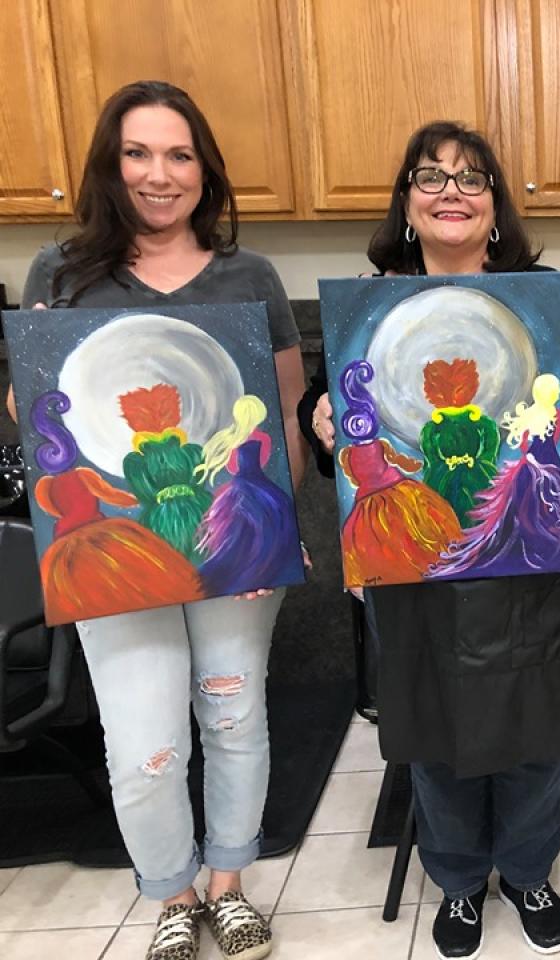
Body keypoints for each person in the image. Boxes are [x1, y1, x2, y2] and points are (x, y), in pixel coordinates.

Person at [298, 121, 560, 960]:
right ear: (406, 203)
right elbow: (321, 413)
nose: (452, 191)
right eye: (432, 176)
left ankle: (529, 871)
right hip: (415, 560)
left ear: (495, 204)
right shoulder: (367, 308)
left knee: (536, 722)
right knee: (432, 722)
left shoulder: (548, 301)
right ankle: (455, 881)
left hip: (532, 557)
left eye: (472, 178)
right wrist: (323, 421)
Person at [6, 81, 307, 960]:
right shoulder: (58, 275)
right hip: (114, 556)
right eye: (138, 153)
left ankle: (229, 885)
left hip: (233, 549)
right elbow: (34, 426)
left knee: (234, 717)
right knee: (144, 741)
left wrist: (271, 534)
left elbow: (282, 419)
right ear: (110, 164)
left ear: (204, 170)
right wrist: (32, 378)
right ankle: (172, 893)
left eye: (179, 155)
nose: (159, 174)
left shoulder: (249, 277)